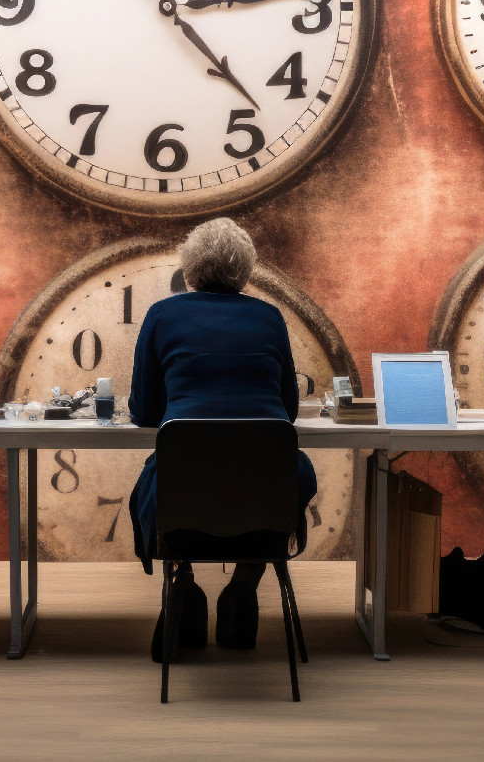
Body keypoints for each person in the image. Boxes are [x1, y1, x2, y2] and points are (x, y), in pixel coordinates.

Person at [128, 218, 317, 661]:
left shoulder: (162, 315)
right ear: (246, 270)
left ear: (189, 268)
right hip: (263, 497)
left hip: (186, 495)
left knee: (162, 479)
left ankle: (183, 582)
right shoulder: (269, 317)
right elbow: (287, 412)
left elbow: (145, 412)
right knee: (292, 473)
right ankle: (244, 586)